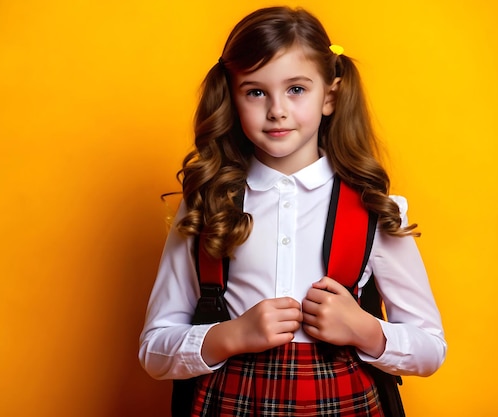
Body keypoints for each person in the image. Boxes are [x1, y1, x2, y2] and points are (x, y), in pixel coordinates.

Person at [139, 6, 446, 416]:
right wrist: (230, 336)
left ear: (330, 96)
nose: (277, 110)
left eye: (296, 89)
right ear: (232, 98)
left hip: (344, 402)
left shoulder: (375, 209)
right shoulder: (205, 206)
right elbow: (154, 351)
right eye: (255, 91)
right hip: (232, 401)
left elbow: (431, 348)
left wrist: (365, 330)